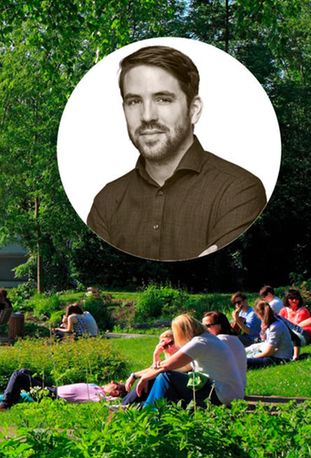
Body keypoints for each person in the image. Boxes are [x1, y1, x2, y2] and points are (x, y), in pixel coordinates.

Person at [85, 45, 266, 261]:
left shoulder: (239, 190)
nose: (147, 116)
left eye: (163, 99)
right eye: (134, 101)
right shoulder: (106, 202)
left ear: (194, 110)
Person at [125, 313, 246, 408]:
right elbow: (180, 367)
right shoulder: (208, 339)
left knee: (166, 377)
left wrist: (145, 377)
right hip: (229, 393)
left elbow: (167, 366)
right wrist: (150, 368)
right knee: (165, 376)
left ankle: (149, 411)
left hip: (222, 395)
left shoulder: (200, 342)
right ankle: (147, 407)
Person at [0, 370, 125, 409]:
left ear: (115, 392)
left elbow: (113, 404)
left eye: (115, 384)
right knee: (22, 379)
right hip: (52, 388)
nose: (112, 381)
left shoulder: (100, 395)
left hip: (53, 396)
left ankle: (2, 405)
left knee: (19, 376)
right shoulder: (97, 386)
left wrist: (127, 388)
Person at [245, 300, 298, 367]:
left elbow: (269, 351)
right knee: (249, 352)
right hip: (274, 354)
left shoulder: (275, 326)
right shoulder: (274, 322)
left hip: (279, 358)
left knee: (244, 361)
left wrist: (254, 357)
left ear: (259, 314)